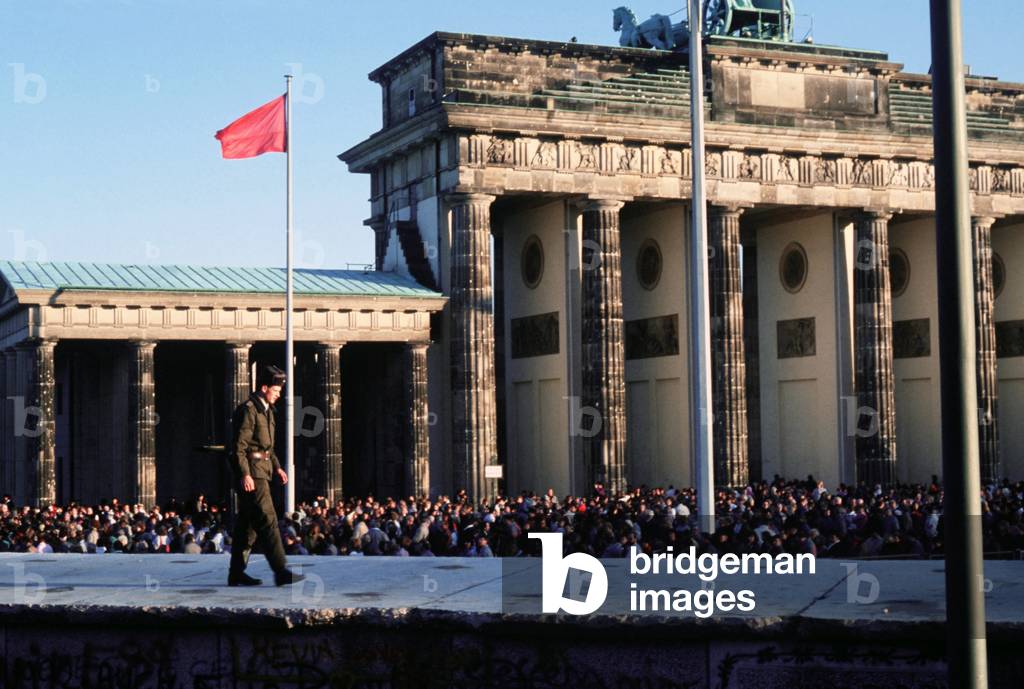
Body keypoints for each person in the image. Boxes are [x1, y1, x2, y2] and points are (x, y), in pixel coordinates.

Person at [226, 364, 305, 587]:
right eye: (276, 391)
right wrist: (245, 474)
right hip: (253, 474)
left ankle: (236, 573)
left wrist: (278, 466)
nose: (278, 395)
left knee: (247, 527)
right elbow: (239, 447)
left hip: (264, 470)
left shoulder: (267, 410)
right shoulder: (249, 410)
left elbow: (266, 447)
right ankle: (280, 571)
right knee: (268, 520)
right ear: (263, 388)